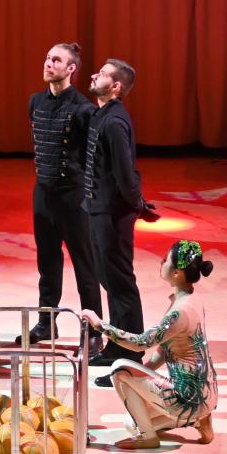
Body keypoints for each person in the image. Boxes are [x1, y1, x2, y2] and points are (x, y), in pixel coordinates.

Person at [81, 239, 217, 451]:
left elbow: (140, 343)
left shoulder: (180, 311)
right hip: (203, 394)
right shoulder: (192, 298)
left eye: (165, 260)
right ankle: (198, 419)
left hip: (186, 397)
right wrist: (141, 376)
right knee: (131, 423)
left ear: (176, 273)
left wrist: (100, 325)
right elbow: (165, 349)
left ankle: (148, 437)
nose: (161, 263)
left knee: (119, 369)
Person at [83, 58, 159, 376]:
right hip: (98, 209)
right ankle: (117, 346)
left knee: (120, 282)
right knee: (109, 280)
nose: (94, 75)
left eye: (102, 74)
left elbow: (124, 174)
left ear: (115, 87)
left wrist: (137, 205)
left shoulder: (114, 121)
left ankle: (130, 356)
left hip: (112, 213)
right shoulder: (101, 114)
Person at [28, 42, 100, 347]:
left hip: (73, 198)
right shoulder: (35, 101)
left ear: (71, 68)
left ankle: (93, 331)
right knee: (47, 262)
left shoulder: (84, 109)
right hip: (43, 195)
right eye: (47, 58)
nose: (48, 64)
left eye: (56, 60)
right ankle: (46, 322)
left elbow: (92, 159)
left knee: (85, 265)